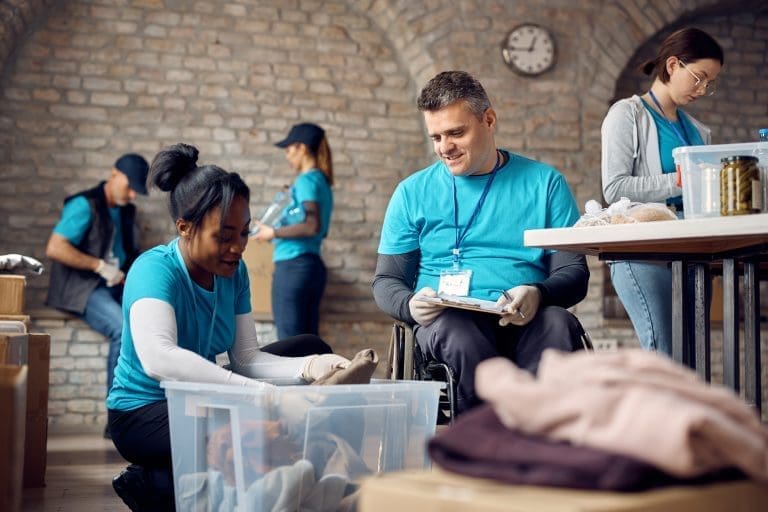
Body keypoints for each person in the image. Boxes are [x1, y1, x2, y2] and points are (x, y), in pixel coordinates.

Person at [106, 143, 350, 511]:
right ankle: (155, 483)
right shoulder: (154, 269)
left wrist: (310, 366)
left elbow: (246, 357)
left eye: (244, 233)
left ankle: (189, 474)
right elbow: (159, 358)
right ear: (185, 228)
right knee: (249, 424)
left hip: (199, 399)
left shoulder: (234, 273)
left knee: (308, 345)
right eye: (223, 236)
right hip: (145, 412)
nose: (237, 247)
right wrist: (251, 395)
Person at [372, 70, 590, 416]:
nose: (445, 147)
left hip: (524, 317)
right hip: (448, 322)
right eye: (436, 137)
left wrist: (539, 293)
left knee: (558, 323)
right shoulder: (411, 193)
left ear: (489, 120)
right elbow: (386, 281)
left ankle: (544, 447)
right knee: (459, 333)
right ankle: (485, 446)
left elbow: (574, 273)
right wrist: (411, 305)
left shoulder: (545, 184)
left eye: (456, 132)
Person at [601, 27, 723, 356]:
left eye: (710, 82)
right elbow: (614, 188)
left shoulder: (698, 130)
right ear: (672, 65)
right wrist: (681, 181)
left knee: (693, 360)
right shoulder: (627, 115)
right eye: (699, 77)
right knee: (664, 354)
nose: (703, 88)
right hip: (643, 254)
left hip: (693, 256)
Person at [45, 153, 149, 437]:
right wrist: (99, 266)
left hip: (113, 284)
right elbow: (55, 248)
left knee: (147, 321)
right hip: (82, 287)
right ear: (114, 174)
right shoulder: (83, 204)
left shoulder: (127, 210)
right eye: (129, 187)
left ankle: (143, 410)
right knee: (122, 327)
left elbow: (127, 252)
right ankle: (116, 419)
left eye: (136, 191)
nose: (132, 195)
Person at [251, 123, 334, 340]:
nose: (288, 157)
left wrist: (273, 233)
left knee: (289, 341)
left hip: (293, 267)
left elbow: (311, 225)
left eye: (289, 151)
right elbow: (317, 228)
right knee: (307, 343)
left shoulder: (306, 180)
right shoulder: (321, 182)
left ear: (302, 148)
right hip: (311, 267)